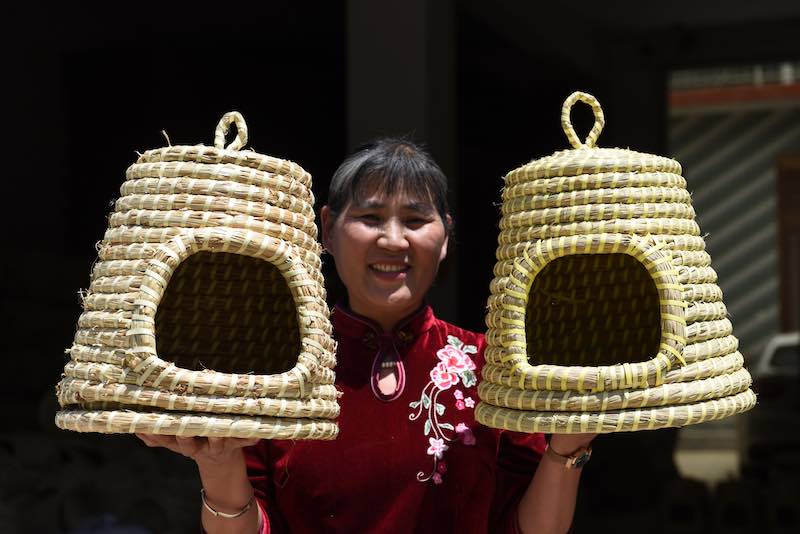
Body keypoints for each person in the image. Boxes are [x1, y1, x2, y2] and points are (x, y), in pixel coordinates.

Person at [138, 139, 596, 533]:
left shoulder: (494, 368)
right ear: (327, 231)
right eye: (371, 217)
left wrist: (569, 445)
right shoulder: (275, 371)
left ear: (445, 237)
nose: (393, 240)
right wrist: (215, 462)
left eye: (415, 221)